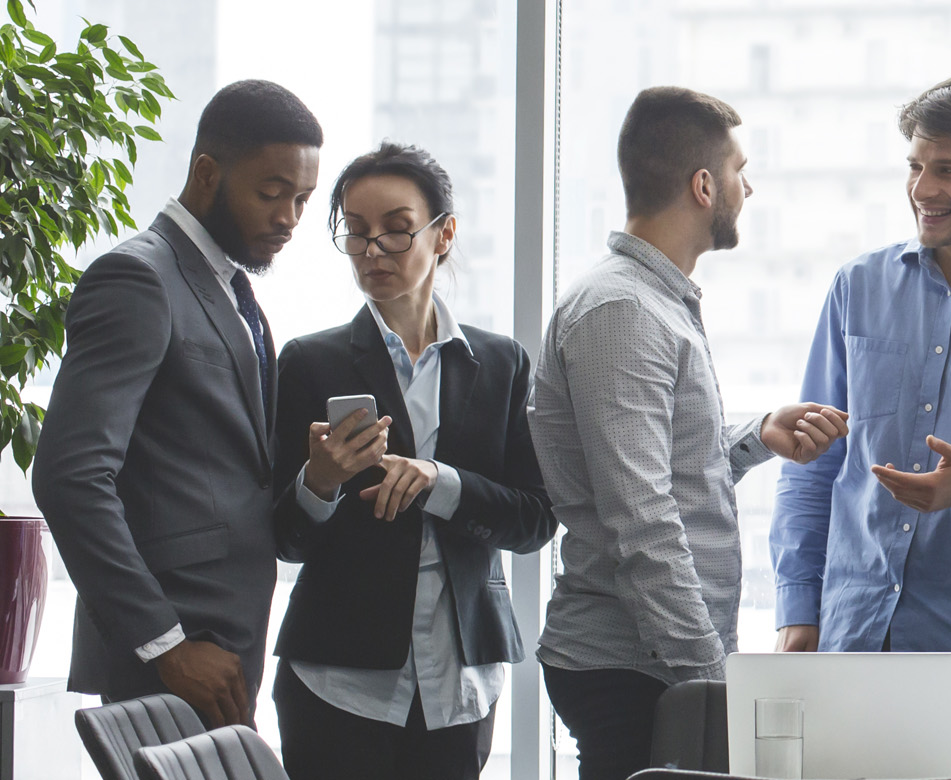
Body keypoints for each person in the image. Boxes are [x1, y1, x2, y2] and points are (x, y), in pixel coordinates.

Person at [531, 86, 850, 780]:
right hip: (632, 666)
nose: (749, 186)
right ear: (703, 185)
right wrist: (713, 683)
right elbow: (640, 518)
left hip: (648, 662)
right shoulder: (622, 311)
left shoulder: (652, 303)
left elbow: (663, 467)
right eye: (740, 170)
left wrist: (756, 436)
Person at [772, 73, 951, 778]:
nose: (922, 189)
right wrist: (797, 612)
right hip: (851, 643)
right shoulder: (857, 287)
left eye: (948, 170)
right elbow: (812, 463)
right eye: (914, 165)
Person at [33, 79, 323, 728]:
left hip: (224, 649)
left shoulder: (232, 291)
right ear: (206, 172)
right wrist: (164, 643)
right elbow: (70, 475)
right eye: (272, 193)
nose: (289, 219)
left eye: (303, 200)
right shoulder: (138, 277)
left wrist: (316, 482)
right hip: (172, 656)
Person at [266, 143, 558, 780]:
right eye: (357, 233)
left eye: (396, 231)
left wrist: (440, 482)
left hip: (460, 677)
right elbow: (282, 537)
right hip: (337, 675)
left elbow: (536, 521)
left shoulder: (501, 363)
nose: (373, 251)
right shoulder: (308, 362)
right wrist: (321, 481)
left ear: (443, 233)